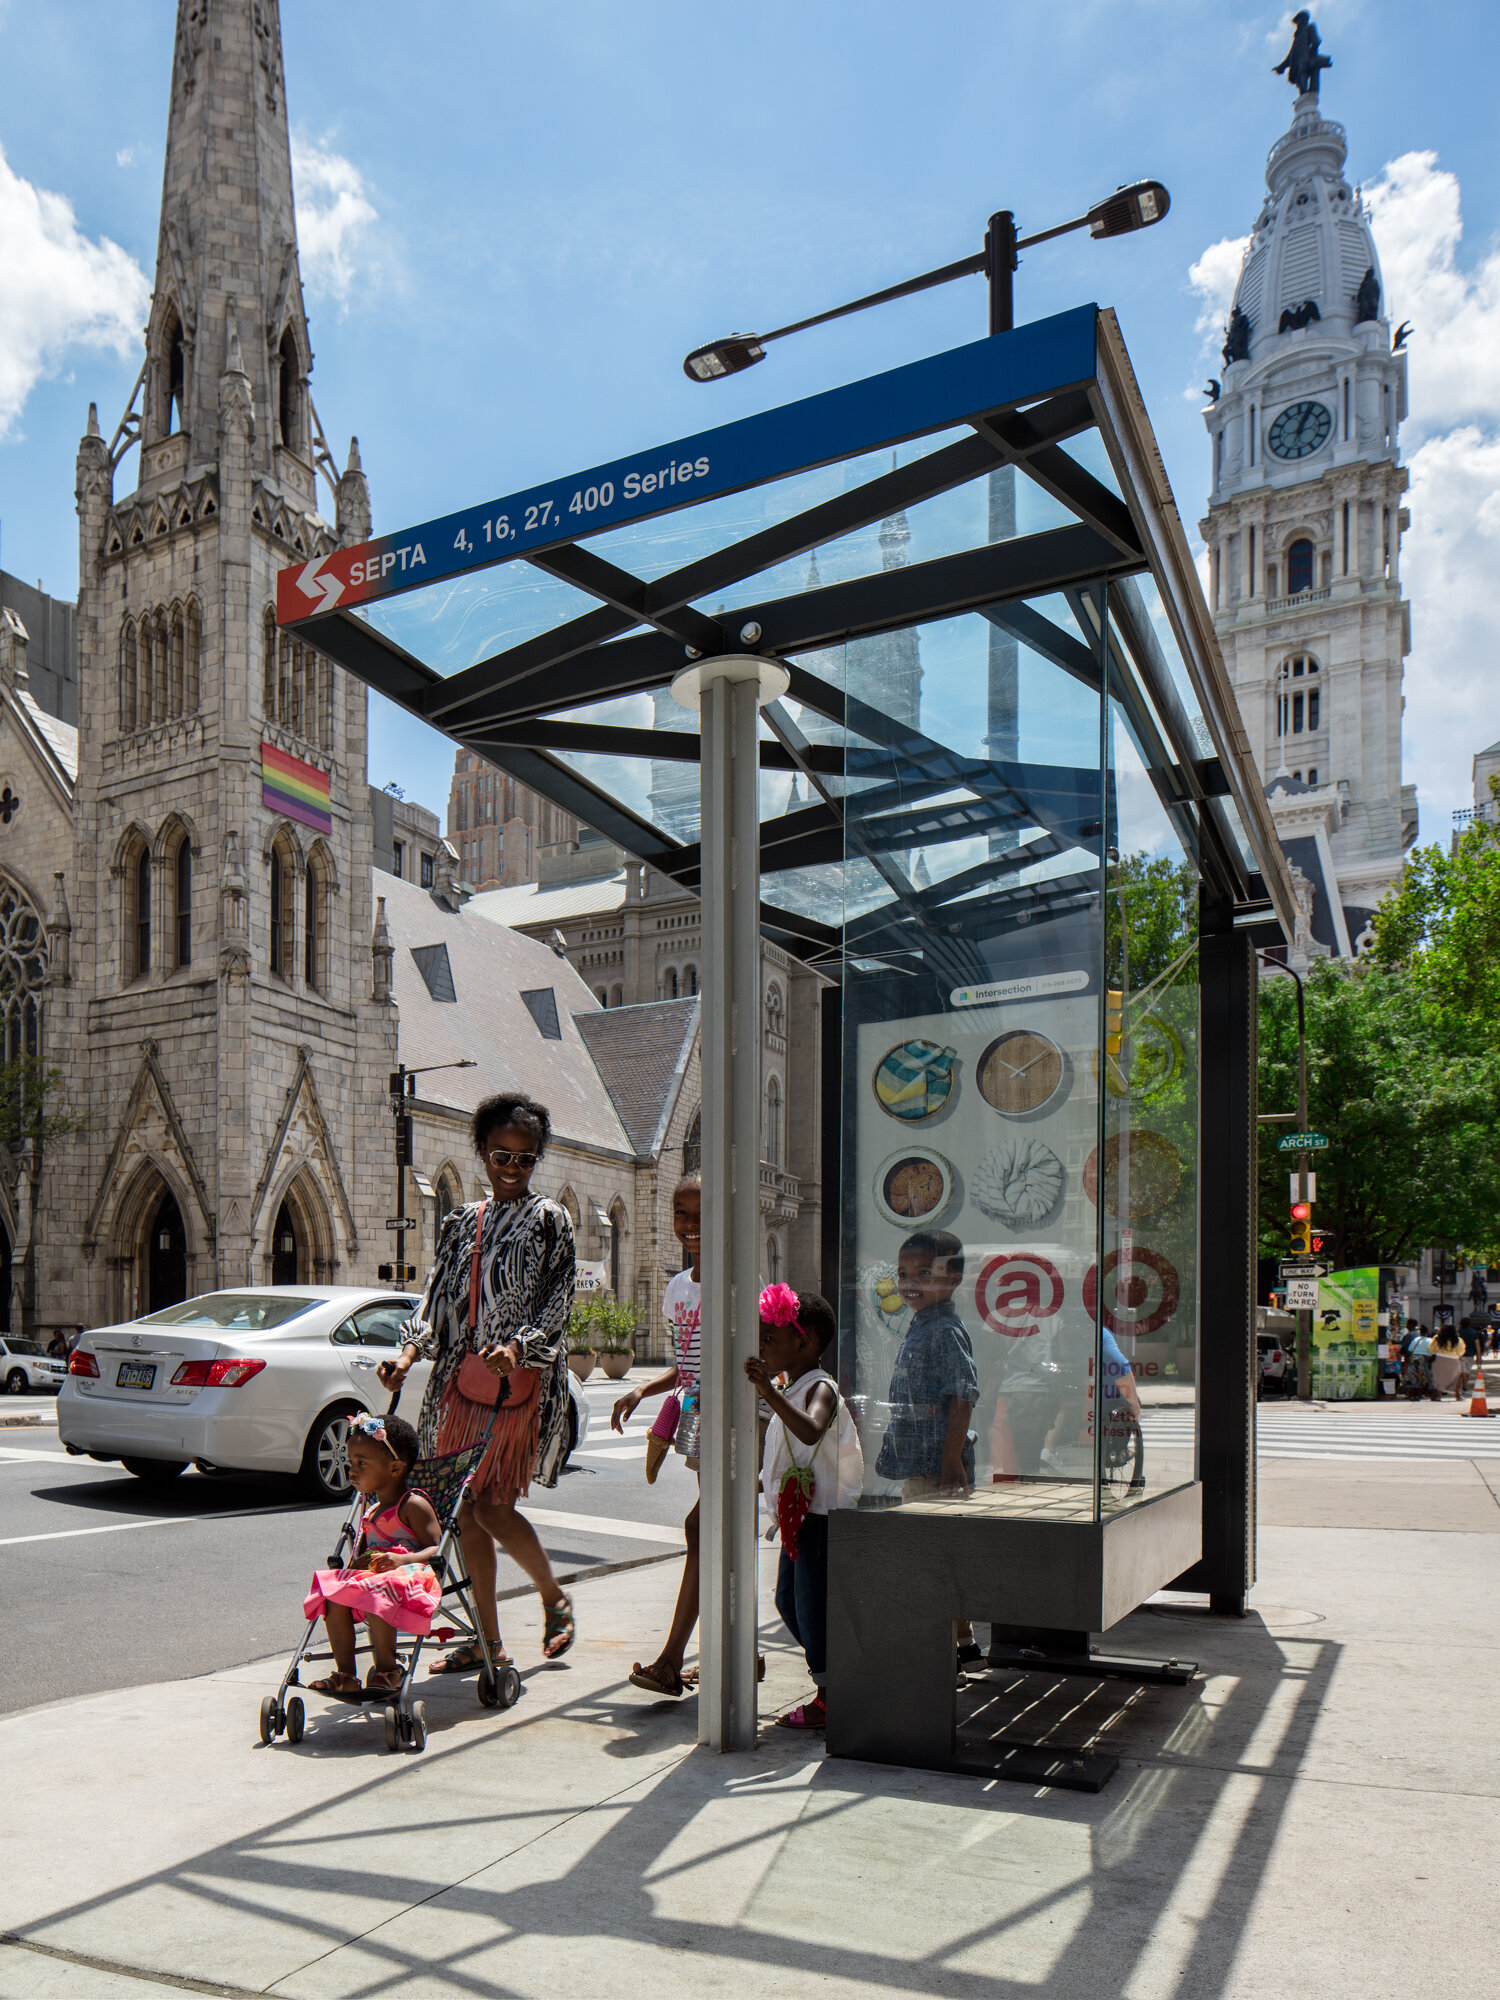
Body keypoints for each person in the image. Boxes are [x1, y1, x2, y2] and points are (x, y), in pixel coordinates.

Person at [379, 1091, 577, 1673]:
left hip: (518, 1387)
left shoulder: (551, 1220)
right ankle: (487, 1642)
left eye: (525, 1159)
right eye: (501, 1157)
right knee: (461, 1516)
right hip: (458, 1385)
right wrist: (409, 1353)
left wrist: (518, 1349)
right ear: (482, 1154)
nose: (513, 1169)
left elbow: (558, 1303)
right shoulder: (463, 1220)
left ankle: (551, 1595)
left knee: (492, 1508)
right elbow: (439, 1298)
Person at [747, 1284, 856, 1732]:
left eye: (770, 1339)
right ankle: (833, 1677)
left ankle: (831, 1696)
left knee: (809, 1607)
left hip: (820, 1518)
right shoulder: (794, 1387)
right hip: (799, 1520)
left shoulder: (821, 1388)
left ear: (804, 1342)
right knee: (788, 1602)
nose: (762, 1347)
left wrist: (767, 1393)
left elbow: (811, 1431)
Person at [612, 1176, 705, 1697]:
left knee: (703, 1528)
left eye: (700, 1214)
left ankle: (673, 1661)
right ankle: (735, 1654)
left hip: (729, 1420)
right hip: (694, 1417)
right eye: (681, 1214)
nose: (690, 1226)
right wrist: (640, 1392)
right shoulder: (677, 1288)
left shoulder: (739, 1278)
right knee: (709, 1531)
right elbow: (683, 1366)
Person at [876, 1230, 980, 1663]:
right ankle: (963, 1644)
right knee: (941, 1557)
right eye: (903, 1274)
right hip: (924, 1461)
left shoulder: (945, 1330)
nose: (909, 1283)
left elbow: (963, 1393)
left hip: (934, 1466)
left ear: (953, 1278)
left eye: (923, 1273)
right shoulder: (924, 1325)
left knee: (929, 1560)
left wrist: (951, 1455)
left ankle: (940, 1654)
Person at [303, 1413, 442, 1695]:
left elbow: (436, 1548)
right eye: (351, 1462)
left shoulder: (412, 1504)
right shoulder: (371, 1511)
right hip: (375, 1578)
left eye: (361, 1464)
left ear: (394, 1468)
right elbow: (364, 1555)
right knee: (332, 1591)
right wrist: (357, 1564)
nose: (352, 1470)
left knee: (377, 1588)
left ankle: (388, 1669)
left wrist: (402, 1559)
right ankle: (345, 1674)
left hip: (410, 1578)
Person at [1430, 1324, 1466, 1400]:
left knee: (1438, 1378)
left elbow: (1431, 1349)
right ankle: (1458, 1395)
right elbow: (1461, 1352)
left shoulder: (1437, 1338)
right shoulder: (1458, 1340)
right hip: (1454, 1360)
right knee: (1456, 1378)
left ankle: (1438, 1396)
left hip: (1439, 1359)